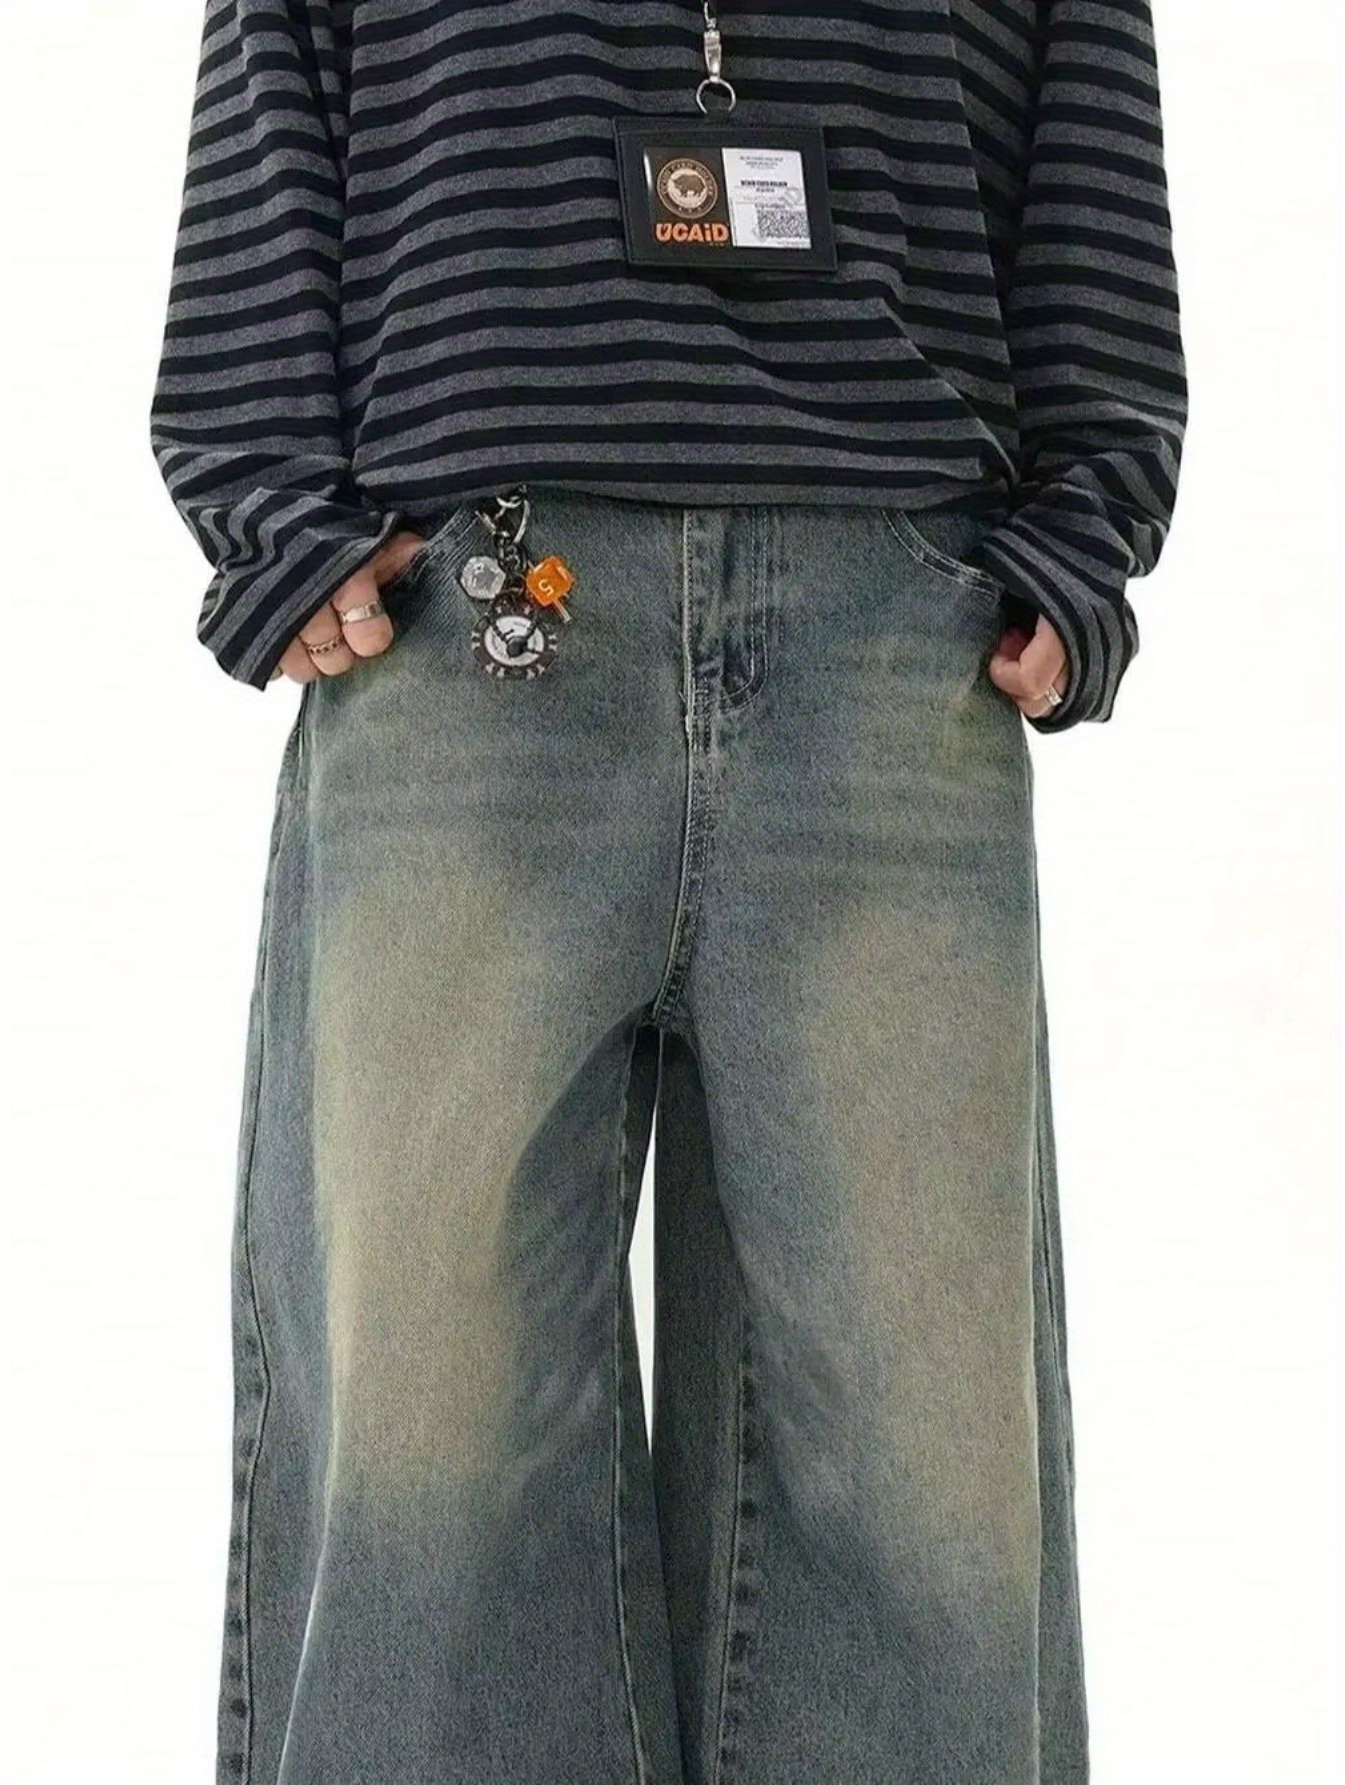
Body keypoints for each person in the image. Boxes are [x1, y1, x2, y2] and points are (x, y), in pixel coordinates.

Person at [149, 4, 1185, 1782]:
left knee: (920, 1453)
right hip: (461, 618)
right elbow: (277, 63)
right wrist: (271, 507)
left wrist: (1086, 527)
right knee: (428, 1434)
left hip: (896, 622)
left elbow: (1079, 96)